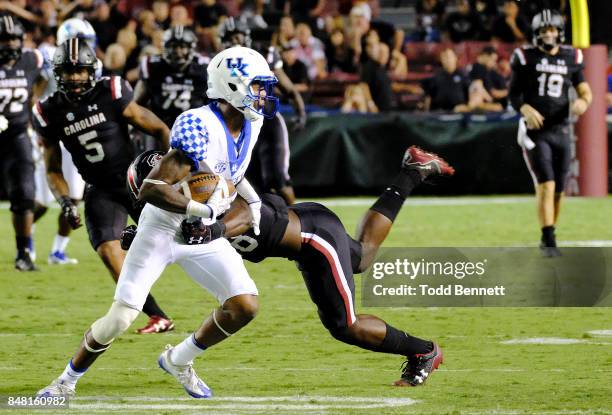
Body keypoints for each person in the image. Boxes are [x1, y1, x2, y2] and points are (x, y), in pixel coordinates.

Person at [36, 45, 279, 399]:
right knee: (120, 318)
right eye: (257, 86)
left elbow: (231, 171)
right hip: (163, 226)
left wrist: (252, 200)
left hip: (199, 233)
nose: (263, 94)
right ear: (233, 87)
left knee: (245, 305)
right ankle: (65, 381)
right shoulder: (199, 124)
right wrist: (205, 212)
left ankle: (178, 360)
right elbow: (151, 188)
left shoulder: (251, 122)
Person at [122, 145, 455, 387]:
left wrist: (216, 229)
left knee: (345, 325)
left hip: (312, 238)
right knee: (362, 255)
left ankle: (423, 351)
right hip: (306, 232)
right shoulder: (184, 199)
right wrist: (144, 236)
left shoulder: (207, 186)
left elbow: (240, 212)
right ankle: (412, 172)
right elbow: (184, 234)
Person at [31, 39, 175, 333]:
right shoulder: (48, 111)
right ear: (58, 73)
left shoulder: (111, 93)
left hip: (137, 182)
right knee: (109, 251)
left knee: (185, 238)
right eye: (68, 72)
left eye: (80, 71)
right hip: (99, 188)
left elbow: (161, 129)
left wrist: (169, 174)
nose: (74, 78)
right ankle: (157, 315)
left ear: (91, 71)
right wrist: (66, 201)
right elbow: (53, 167)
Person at [509, 9, 591, 257]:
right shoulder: (525, 57)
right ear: (536, 33)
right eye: (544, 30)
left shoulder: (571, 56)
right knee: (546, 184)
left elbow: (585, 90)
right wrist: (525, 108)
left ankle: (549, 232)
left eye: (552, 29)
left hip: (561, 129)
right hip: (536, 132)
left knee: (559, 189)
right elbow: (514, 94)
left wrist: (583, 103)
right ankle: (549, 238)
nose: (548, 34)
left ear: (559, 32)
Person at [219, 17, 305, 204]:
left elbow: (289, 89)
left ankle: (300, 219)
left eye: (238, 36)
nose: (235, 42)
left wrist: (301, 113)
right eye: (230, 38)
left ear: (247, 37)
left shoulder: (263, 54)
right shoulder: (218, 64)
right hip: (238, 127)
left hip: (266, 122)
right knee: (246, 184)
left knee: (278, 180)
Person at [0, 14, 45, 271]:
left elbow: (44, 79)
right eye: (4, 39)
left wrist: (32, 104)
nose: (10, 44)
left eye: (14, 39)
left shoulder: (32, 59)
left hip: (17, 135)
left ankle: (23, 254)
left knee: (26, 196)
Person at [134, 26, 210, 130]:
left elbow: (213, 105)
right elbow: (136, 103)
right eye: (173, 46)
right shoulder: (152, 66)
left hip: (194, 127)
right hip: (159, 127)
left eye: (182, 47)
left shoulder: (203, 66)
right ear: (165, 47)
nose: (178, 51)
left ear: (191, 48)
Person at [422, 48, 470, 112]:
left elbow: (471, 95)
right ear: (441, 60)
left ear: (455, 58)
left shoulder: (464, 75)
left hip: (459, 112)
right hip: (439, 112)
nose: (447, 60)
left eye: (449, 56)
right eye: (444, 57)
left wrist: (467, 107)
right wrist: (426, 113)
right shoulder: (436, 77)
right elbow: (428, 96)